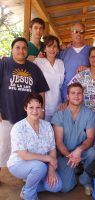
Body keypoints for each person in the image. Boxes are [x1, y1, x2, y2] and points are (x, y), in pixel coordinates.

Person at [0, 37, 49, 176]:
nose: (21, 50)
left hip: (28, 118)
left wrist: (41, 111)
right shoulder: (4, 64)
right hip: (6, 114)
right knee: (2, 147)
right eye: (17, 47)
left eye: (24, 48)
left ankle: (25, 175)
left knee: (27, 148)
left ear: (27, 51)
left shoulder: (33, 68)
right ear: (12, 49)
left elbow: (41, 90)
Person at [7, 93, 62, 200]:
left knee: (56, 186)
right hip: (19, 164)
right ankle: (29, 195)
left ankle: (28, 187)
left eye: (38, 107)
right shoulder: (18, 127)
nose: (35, 111)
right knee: (39, 167)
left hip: (41, 164)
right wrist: (48, 159)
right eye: (31, 107)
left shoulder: (46, 126)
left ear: (42, 108)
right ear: (25, 108)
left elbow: (52, 149)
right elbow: (23, 155)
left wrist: (51, 170)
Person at [51, 83, 95, 194]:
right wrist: (70, 156)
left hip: (81, 152)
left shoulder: (89, 114)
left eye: (79, 93)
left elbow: (90, 138)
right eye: (73, 93)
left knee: (93, 153)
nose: (76, 96)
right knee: (65, 187)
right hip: (64, 154)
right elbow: (59, 141)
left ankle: (85, 180)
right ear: (67, 96)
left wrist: (79, 150)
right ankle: (75, 169)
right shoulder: (59, 114)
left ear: (83, 95)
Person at [34, 35, 64, 121]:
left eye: (55, 46)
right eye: (49, 46)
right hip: (43, 107)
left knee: (58, 133)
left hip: (59, 106)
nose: (52, 49)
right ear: (44, 49)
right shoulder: (38, 62)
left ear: (58, 49)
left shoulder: (61, 63)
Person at [59, 22, 91, 102]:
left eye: (81, 32)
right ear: (71, 34)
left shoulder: (91, 50)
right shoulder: (64, 52)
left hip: (85, 93)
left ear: (84, 34)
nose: (79, 34)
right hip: (66, 93)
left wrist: (88, 69)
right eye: (76, 31)